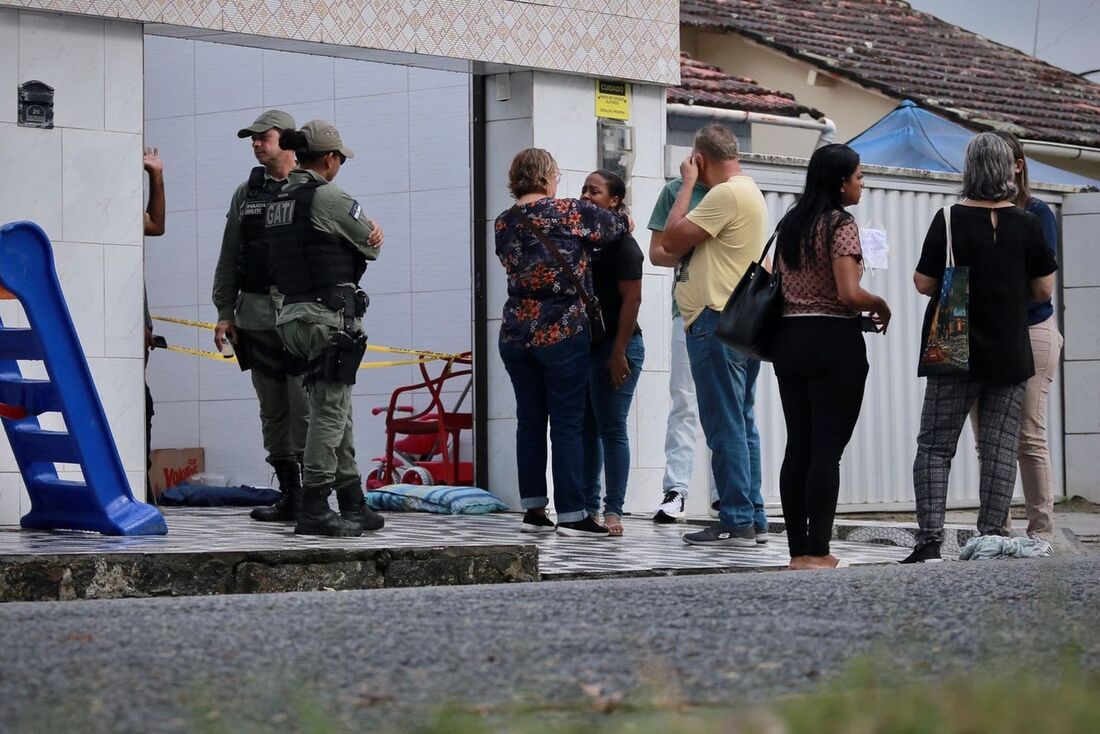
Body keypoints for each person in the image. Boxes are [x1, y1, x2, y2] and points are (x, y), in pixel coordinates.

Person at [906, 132, 1058, 563]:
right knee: (999, 447)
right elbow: (1044, 289)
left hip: (953, 343)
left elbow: (922, 282)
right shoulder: (1027, 223)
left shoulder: (949, 219)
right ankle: (990, 535)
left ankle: (930, 541)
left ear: (970, 169)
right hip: (1009, 346)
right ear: (1009, 169)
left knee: (936, 445)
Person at [496, 148, 628, 538]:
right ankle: (572, 513)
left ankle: (534, 507)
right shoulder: (568, 211)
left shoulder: (503, 222)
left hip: (516, 331)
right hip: (562, 329)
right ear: (546, 177)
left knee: (529, 420)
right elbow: (616, 227)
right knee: (567, 422)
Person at [771, 145, 891, 570]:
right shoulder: (841, 225)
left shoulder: (791, 223)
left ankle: (797, 551)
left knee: (798, 446)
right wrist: (879, 303)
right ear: (841, 181)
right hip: (833, 343)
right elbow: (848, 294)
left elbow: (777, 281)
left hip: (789, 341)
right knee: (826, 451)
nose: (862, 183)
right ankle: (819, 551)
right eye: (859, 176)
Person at [268, 119, 385, 537]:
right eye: (340, 159)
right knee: (329, 413)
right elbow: (369, 243)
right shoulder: (329, 196)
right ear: (331, 159)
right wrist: (374, 236)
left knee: (337, 409)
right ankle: (316, 505)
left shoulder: (279, 198)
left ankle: (354, 502)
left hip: (290, 317)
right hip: (326, 319)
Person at [660, 124, 769, 547]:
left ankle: (737, 517)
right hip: (739, 322)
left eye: (695, 163)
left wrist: (687, 184)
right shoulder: (752, 192)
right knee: (742, 422)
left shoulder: (724, 195)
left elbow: (670, 240)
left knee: (723, 423)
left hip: (714, 320)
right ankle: (753, 514)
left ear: (701, 160)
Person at [211, 110, 311, 523]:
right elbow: (230, 253)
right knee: (272, 410)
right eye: (251, 139)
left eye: (262, 137)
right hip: (253, 317)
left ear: (286, 141)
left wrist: (370, 229)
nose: (255, 144)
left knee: (304, 406)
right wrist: (223, 311)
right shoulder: (247, 192)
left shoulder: (311, 188)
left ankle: (313, 494)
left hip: (301, 317)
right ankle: (289, 493)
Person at [969, 130, 1063, 541]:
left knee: (1028, 433)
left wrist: (995, 290)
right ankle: (997, 529)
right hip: (986, 333)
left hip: (1031, 328)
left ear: (1017, 167)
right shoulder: (966, 213)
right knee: (986, 438)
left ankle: (1041, 532)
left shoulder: (1037, 213)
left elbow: (1044, 287)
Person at [647, 175, 720, 523]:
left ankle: (728, 494)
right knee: (684, 401)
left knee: (730, 406)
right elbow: (659, 254)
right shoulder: (677, 191)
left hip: (730, 311)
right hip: (688, 310)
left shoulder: (736, 190)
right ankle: (676, 490)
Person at [578, 169, 644, 537]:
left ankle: (614, 510)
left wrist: (618, 353)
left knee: (611, 428)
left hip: (619, 345)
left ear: (615, 201)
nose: (587, 196)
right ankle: (589, 508)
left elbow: (632, 301)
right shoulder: (588, 240)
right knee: (588, 428)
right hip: (589, 346)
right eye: (584, 189)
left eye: (596, 191)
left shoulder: (623, 246)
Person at [143, 146, 165, 504]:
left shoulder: (122, 209)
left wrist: (156, 176)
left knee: (142, 405)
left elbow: (156, 226)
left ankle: (143, 492)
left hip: (136, 327)